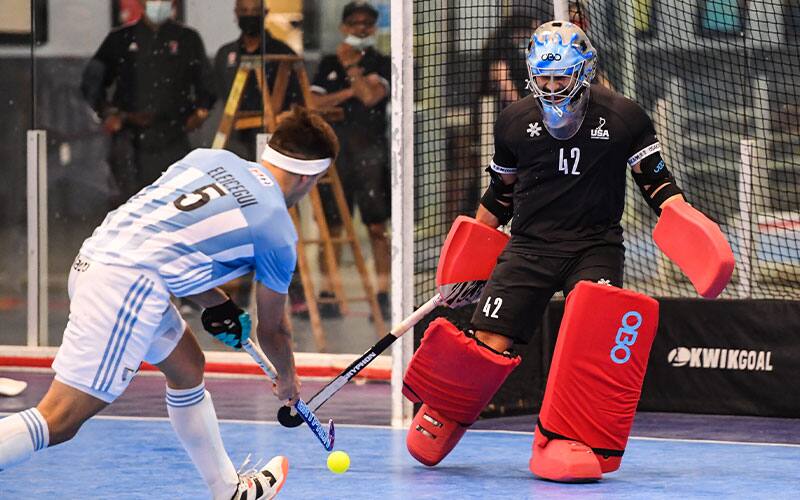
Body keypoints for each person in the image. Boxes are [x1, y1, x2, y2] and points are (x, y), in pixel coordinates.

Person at [0, 107, 339, 500]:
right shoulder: (277, 229)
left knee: (188, 368)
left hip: (97, 258)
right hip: (127, 288)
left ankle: (229, 490)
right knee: (59, 419)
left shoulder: (210, 159)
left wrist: (217, 303)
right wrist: (288, 378)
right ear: (307, 176)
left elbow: (166, 238)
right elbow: (274, 330)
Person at [401, 21, 689, 480]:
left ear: (585, 72)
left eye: (561, 78)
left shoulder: (625, 117)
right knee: (487, 341)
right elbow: (500, 194)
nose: (552, 88)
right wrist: (470, 261)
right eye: (544, 78)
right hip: (530, 247)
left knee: (592, 344)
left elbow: (657, 184)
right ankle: (446, 412)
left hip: (595, 247)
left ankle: (565, 438)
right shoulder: (515, 119)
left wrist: (689, 228)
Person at [81, 0, 216, 208]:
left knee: (176, 204)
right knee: (130, 205)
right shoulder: (120, 39)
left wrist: (201, 111)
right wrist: (108, 113)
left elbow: (207, 84)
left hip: (173, 136)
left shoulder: (187, 39)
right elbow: (91, 82)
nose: (159, 4)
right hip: (130, 140)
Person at [309, 1, 391, 319]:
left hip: (371, 154)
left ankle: (382, 293)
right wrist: (349, 90)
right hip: (335, 156)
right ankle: (329, 294)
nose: (361, 29)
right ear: (344, 27)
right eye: (355, 23)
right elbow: (313, 102)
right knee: (332, 225)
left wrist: (354, 71)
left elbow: (371, 96)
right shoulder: (329, 61)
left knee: (375, 226)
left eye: (367, 24)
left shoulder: (381, 62)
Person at [214, 0, 302, 161]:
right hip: (235, 138)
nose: (249, 16)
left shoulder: (282, 53)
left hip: (275, 138)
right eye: (244, 11)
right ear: (236, 13)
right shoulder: (225, 54)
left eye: (255, 11)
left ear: (265, 13)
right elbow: (221, 93)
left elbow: (297, 99)